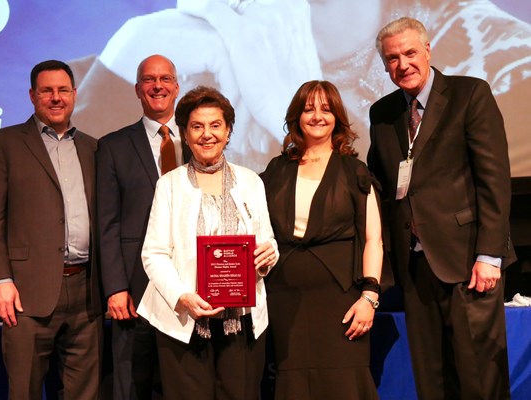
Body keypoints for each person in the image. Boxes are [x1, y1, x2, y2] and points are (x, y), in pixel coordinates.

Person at [70, 0, 531, 176]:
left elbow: (391, 181)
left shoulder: (499, 55)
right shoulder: (147, 54)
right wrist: (116, 71)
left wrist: (281, 101)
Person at [367, 17, 516, 399]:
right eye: (392, 58)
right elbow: (379, 183)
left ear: (428, 50)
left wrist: (489, 255)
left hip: (469, 261)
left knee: (479, 378)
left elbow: (494, 180)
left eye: (410, 53)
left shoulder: (469, 94)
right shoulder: (382, 114)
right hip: (415, 268)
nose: (403, 64)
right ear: (384, 65)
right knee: (431, 380)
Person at [136, 86, 278, 400]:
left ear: (228, 132)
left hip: (240, 321)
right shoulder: (169, 185)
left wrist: (269, 255)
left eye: (216, 125)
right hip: (184, 322)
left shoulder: (250, 181)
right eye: (197, 126)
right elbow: (154, 254)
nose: (207, 135)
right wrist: (182, 296)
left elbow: (267, 239)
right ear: (184, 134)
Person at [0, 60, 102, 399]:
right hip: (25, 293)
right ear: (32, 95)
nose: (56, 97)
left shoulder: (92, 147)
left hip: (86, 292)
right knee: (25, 390)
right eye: (47, 91)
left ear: (75, 94)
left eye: (63, 90)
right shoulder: (4, 143)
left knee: (85, 393)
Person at [260, 80, 387, 399]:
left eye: (326, 109)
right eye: (308, 109)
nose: (317, 116)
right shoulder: (275, 170)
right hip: (284, 302)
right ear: (296, 118)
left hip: (342, 304)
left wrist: (369, 297)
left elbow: (374, 239)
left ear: (337, 118)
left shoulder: (355, 171)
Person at [96, 54, 190, 399]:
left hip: (188, 287)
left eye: (165, 79)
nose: (158, 86)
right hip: (135, 288)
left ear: (177, 87)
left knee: (180, 384)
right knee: (132, 383)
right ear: (137, 89)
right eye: (149, 80)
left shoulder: (199, 141)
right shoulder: (113, 146)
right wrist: (115, 287)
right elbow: (107, 224)